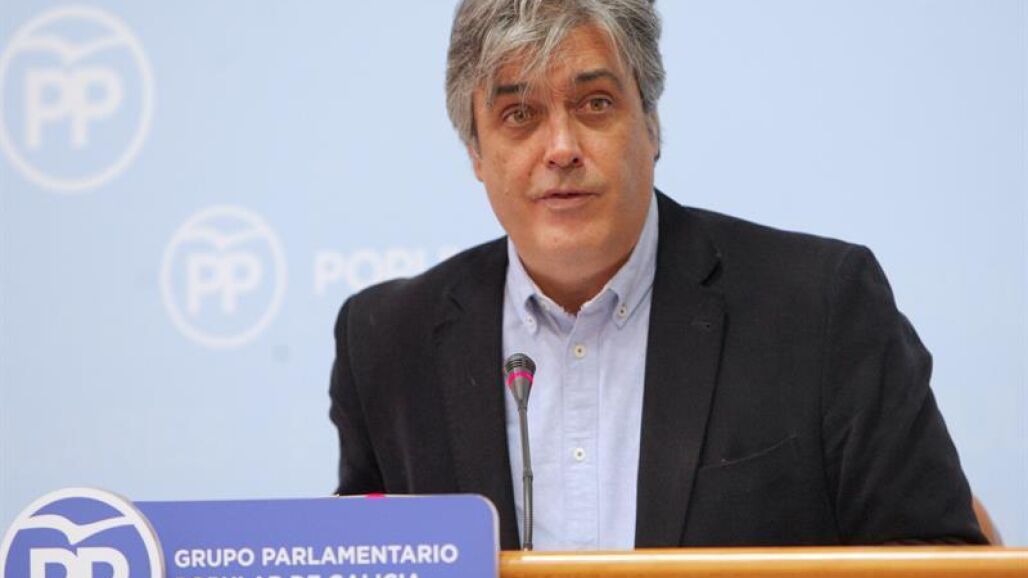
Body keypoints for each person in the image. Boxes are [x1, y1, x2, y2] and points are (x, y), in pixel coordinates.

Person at [330, 0, 986, 550]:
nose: (561, 149)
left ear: (650, 125)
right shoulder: (386, 341)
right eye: (519, 115)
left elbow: (940, 558)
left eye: (594, 103)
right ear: (476, 151)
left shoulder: (820, 307)